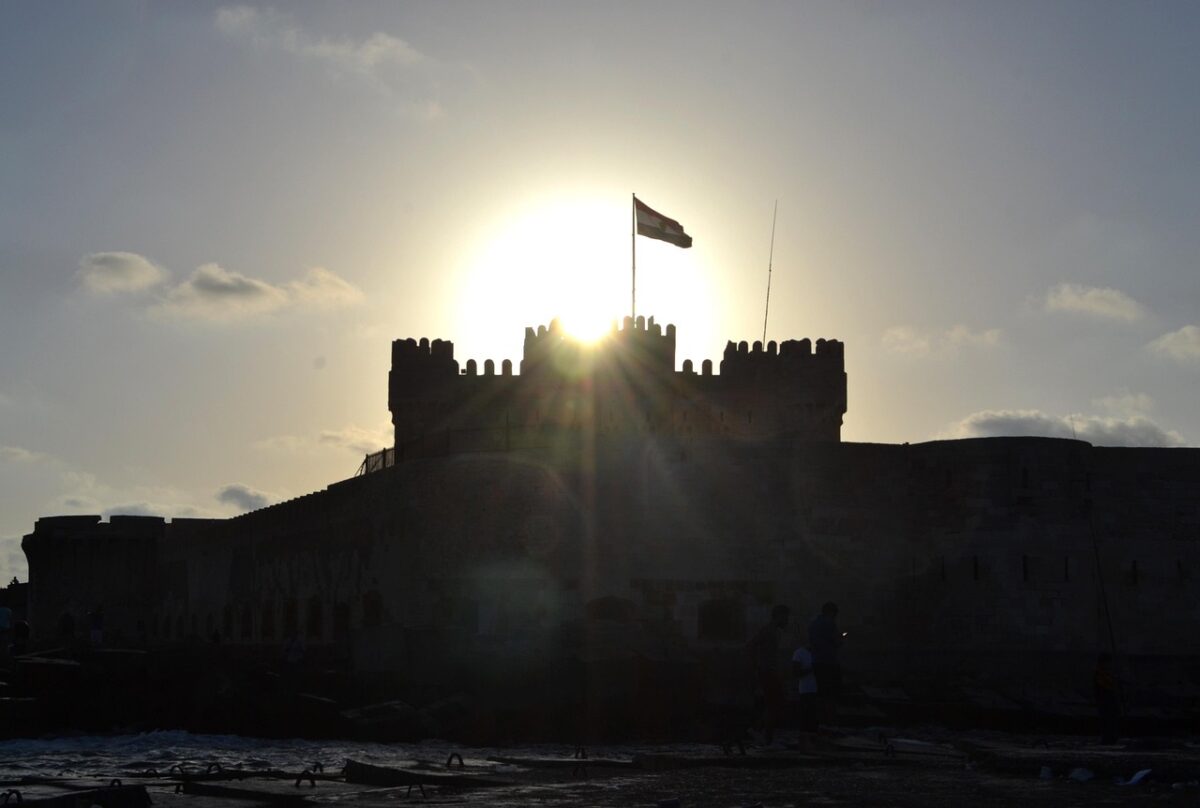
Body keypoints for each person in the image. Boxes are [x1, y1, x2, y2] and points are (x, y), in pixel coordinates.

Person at [748, 604, 790, 744]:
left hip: (769, 671)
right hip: (767, 671)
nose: (787, 621)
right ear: (780, 616)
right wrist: (758, 665)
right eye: (786, 617)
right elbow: (752, 645)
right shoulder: (768, 631)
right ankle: (762, 733)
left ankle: (762, 732)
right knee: (774, 704)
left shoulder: (772, 631)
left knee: (774, 704)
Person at [808, 602, 843, 725]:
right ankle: (829, 722)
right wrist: (842, 637)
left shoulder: (813, 624)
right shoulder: (829, 623)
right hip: (828, 662)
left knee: (819, 694)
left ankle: (818, 721)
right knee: (830, 695)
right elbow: (836, 641)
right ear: (831, 612)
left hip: (816, 661)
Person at [791, 643, 818, 731]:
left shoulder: (820, 652)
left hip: (820, 691)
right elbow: (796, 673)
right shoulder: (799, 653)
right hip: (806, 690)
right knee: (806, 718)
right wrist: (813, 669)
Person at [1094, 653, 1120, 744]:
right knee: (1107, 721)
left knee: (1111, 721)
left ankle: (1111, 738)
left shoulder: (1106, 673)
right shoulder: (1099, 673)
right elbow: (1105, 685)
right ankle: (1108, 739)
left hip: (1109, 702)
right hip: (1105, 702)